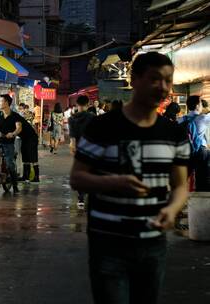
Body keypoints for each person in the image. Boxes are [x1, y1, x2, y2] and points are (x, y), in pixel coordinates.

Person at [70, 52, 190, 304]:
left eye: (168, 81)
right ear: (134, 80)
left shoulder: (174, 134)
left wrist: (172, 209)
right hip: (108, 242)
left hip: (153, 243)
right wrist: (114, 182)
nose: (163, 87)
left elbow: (180, 187)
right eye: (155, 79)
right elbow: (78, 178)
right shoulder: (102, 127)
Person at [177, 95, 210, 191]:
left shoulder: (181, 119)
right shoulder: (203, 119)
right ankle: (202, 198)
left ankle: (180, 197)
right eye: (200, 103)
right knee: (203, 178)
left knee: (183, 177)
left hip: (186, 152)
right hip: (201, 151)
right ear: (197, 105)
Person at [68, 95, 95, 208]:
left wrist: (73, 146)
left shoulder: (72, 118)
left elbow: (73, 135)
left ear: (77, 104)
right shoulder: (92, 117)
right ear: (88, 105)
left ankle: (81, 198)